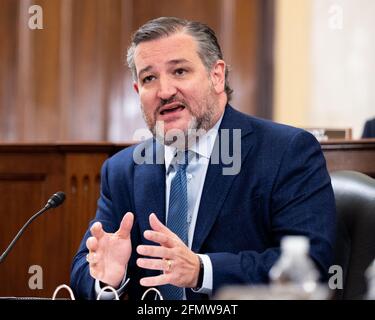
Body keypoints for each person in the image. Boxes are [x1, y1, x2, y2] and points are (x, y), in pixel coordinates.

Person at [70, 17, 336, 300]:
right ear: (138, 92)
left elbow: (311, 267)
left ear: (217, 76)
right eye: (149, 78)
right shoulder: (124, 170)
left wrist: (202, 270)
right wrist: (110, 279)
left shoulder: (285, 152)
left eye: (180, 71)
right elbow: (84, 269)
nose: (165, 91)